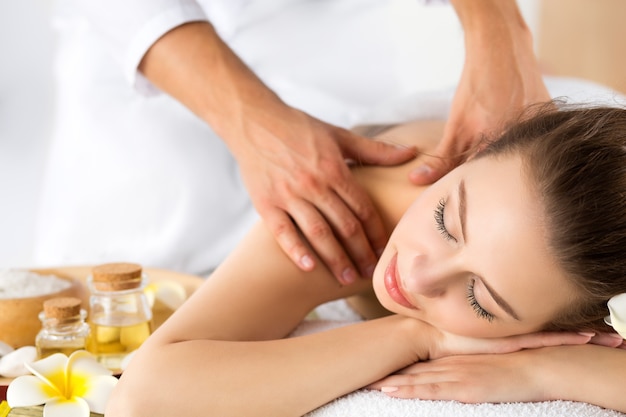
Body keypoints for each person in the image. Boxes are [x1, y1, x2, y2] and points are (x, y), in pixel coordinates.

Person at [106, 105, 626, 417]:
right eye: (446, 220)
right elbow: (143, 400)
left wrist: (551, 369)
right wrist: (417, 337)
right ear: (475, 154)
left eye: (479, 297)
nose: (419, 276)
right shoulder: (342, 212)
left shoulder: (589, 289)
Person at [34, 0, 549, 282]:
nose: (420, 274)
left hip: (333, 56)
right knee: (107, 320)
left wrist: (498, 27)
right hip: (142, 78)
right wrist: (248, 119)